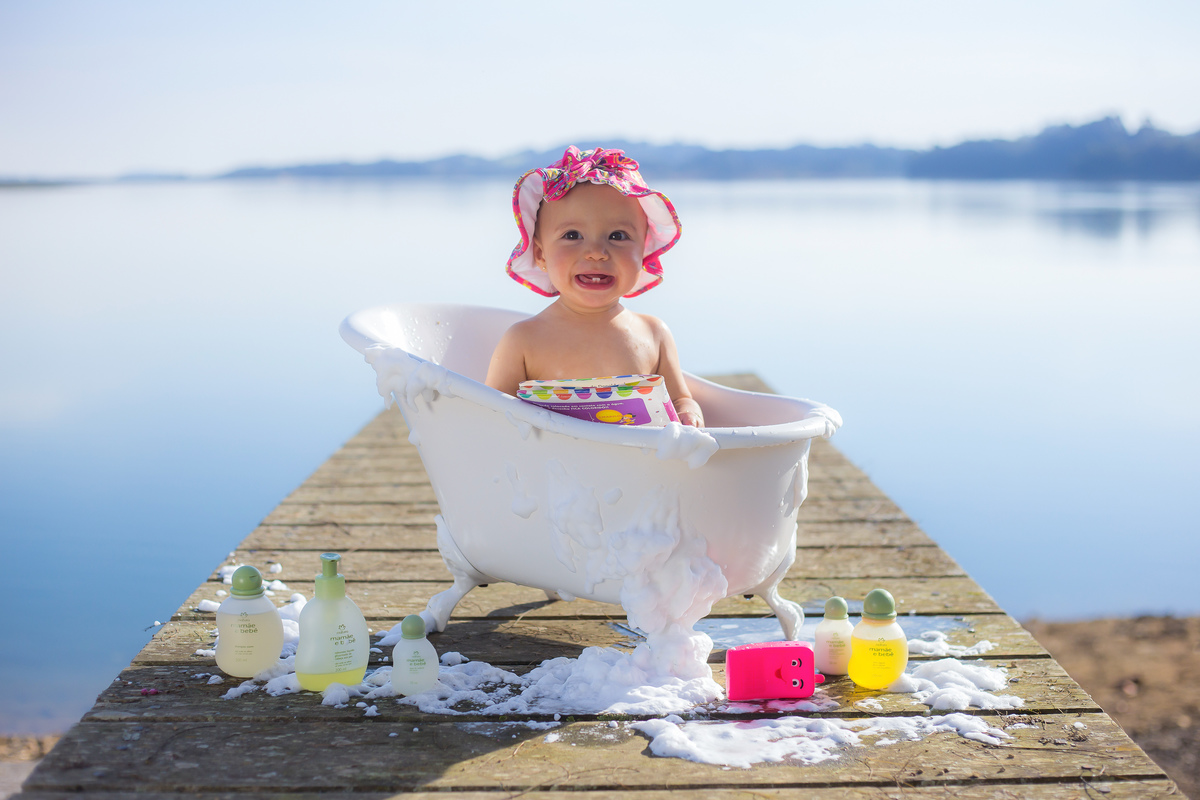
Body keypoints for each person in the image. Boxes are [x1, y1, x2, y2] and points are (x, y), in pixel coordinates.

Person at [485, 146, 704, 427]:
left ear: (643, 252)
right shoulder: (523, 340)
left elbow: (680, 399)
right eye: (572, 235)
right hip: (555, 469)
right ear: (541, 255)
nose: (596, 252)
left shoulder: (653, 334)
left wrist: (689, 413)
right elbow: (491, 415)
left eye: (618, 235)